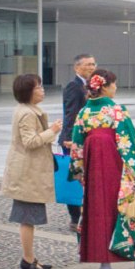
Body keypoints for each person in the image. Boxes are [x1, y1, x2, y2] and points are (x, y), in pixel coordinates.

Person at [70, 67, 135, 269]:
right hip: (117, 168)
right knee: (127, 208)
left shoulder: (84, 112)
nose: (115, 88)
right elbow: (128, 142)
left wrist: (79, 172)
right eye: (114, 84)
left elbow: (77, 145)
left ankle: (104, 265)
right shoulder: (116, 110)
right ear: (105, 87)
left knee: (98, 210)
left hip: (94, 170)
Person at [2, 72, 62, 269]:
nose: (42, 90)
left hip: (28, 173)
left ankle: (29, 258)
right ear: (28, 91)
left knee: (28, 217)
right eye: (38, 87)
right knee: (27, 219)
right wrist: (52, 131)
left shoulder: (28, 110)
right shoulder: (27, 113)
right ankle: (28, 259)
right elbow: (30, 142)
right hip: (27, 174)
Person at [60, 52, 95, 236]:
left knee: (81, 178)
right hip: (72, 140)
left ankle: (80, 215)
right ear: (77, 67)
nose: (91, 67)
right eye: (88, 64)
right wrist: (69, 138)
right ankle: (75, 218)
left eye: (93, 64)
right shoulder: (74, 86)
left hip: (82, 139)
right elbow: (70, 113)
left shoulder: (87, 86)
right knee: (74, 178)